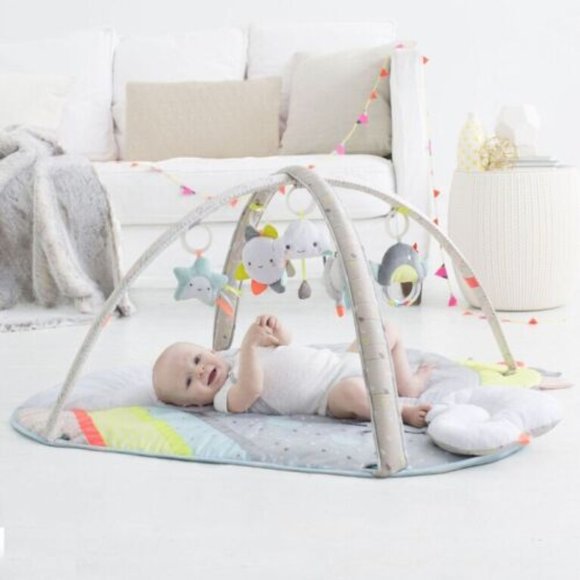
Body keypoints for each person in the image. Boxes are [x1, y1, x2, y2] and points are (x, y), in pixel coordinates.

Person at [153, 314, 433, 428]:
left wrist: (276, 330)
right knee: (352, 393)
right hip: (330, 395)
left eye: (197, 359)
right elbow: (252, 388)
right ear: (192, 404)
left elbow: (285, 344)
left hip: (341, 361)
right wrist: (249, 345)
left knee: (382, 328)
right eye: (188, 381)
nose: (200, 370)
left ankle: (407, 385)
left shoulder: (234, 355)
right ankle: (400, 411)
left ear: (210, 350)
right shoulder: (224, 397)